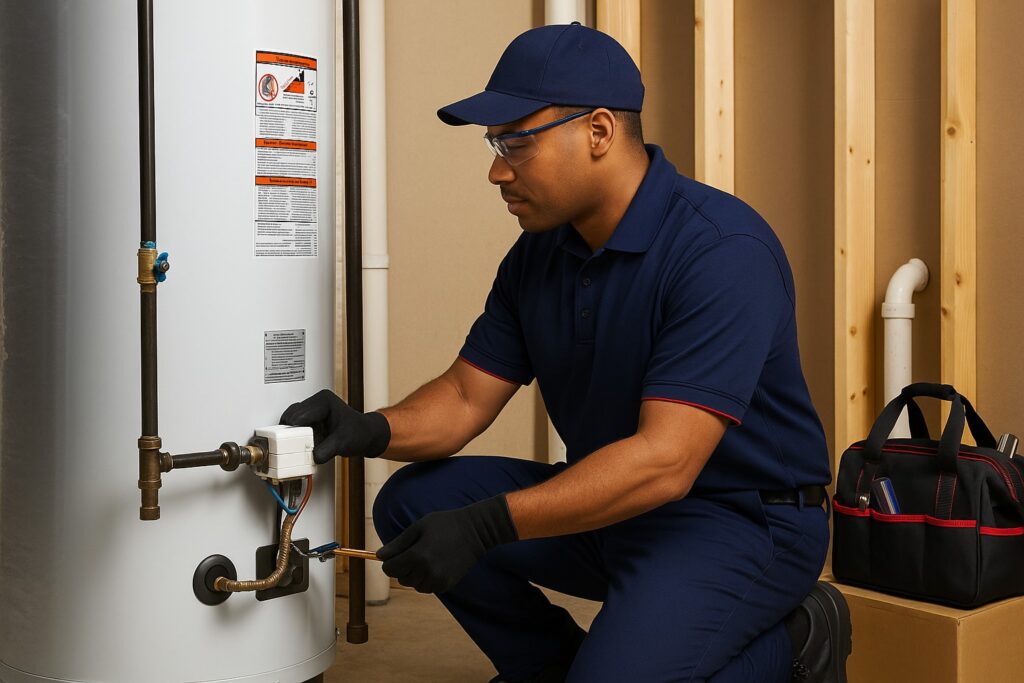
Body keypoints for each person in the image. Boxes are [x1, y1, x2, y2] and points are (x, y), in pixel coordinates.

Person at [282, 22, 851, 683]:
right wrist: (367, 428)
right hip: (616, 502)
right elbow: (465, 396)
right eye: (495, 144)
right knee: (414, 503)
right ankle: (550, 667)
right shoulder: (539, 255)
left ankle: (800, 639)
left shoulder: (721, 251)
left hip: (741, 520)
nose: (497, 170)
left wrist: (487, 526)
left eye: (517, 143)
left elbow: (666, 461)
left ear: (599, 131)